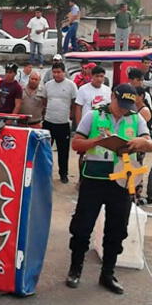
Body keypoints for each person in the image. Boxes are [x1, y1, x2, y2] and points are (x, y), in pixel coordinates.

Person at [66, 84, 152, 295]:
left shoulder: (136, 118)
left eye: (127, 106)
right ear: (112, 97)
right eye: (120, 104)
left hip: (122, 181)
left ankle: (107, 273)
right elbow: (76, 144)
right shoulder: (93, 116)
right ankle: (75, 269)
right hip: (94, 178)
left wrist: (143, 141)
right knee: (82, 227)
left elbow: (150, 143)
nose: (123, 109)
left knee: (116, 230)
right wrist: (99, 141)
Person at [43, 63, 78, 184]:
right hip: (48, 122)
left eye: (59, 72)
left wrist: (72, 115)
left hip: (63, 123)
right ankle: (45, 173)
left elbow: (74, 102)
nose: (56, 75)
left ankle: (63, 174)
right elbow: (44, 100)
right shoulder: (47, 85)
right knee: (45, 150)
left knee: (63, 151)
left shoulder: (71, 85)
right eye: (54, 72)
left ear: (64, 72)